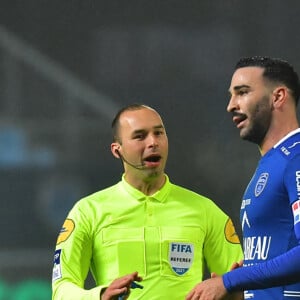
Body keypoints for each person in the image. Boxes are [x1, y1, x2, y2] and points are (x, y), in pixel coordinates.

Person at [51, 104, 243, 299]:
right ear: (117, 150)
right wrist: (99, 296)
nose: (153, 142)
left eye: (159, 133)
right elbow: (62, 289)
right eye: (140, 136)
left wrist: (230, 290)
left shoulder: (205, 210)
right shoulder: (88, 211)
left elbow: (241, 283)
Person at [186, 56, 300, 300]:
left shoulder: (296, 158)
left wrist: (230, 281)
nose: (231, 105)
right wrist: (243, 279)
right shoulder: (273, 161)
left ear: (278, 97)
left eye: (243, 92)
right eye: (231, 95)